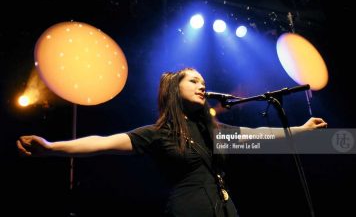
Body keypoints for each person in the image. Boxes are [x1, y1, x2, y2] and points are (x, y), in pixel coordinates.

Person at [17, 67, 327, 217]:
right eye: (193, 80)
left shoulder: (214, 131)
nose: (201, 85)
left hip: (225, 208)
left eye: (203, 82)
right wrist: (52, 148)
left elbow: (260, 137)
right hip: (188, 210)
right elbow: (103, 142)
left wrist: (299, 131)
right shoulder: (158, 133)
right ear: (173, 90)